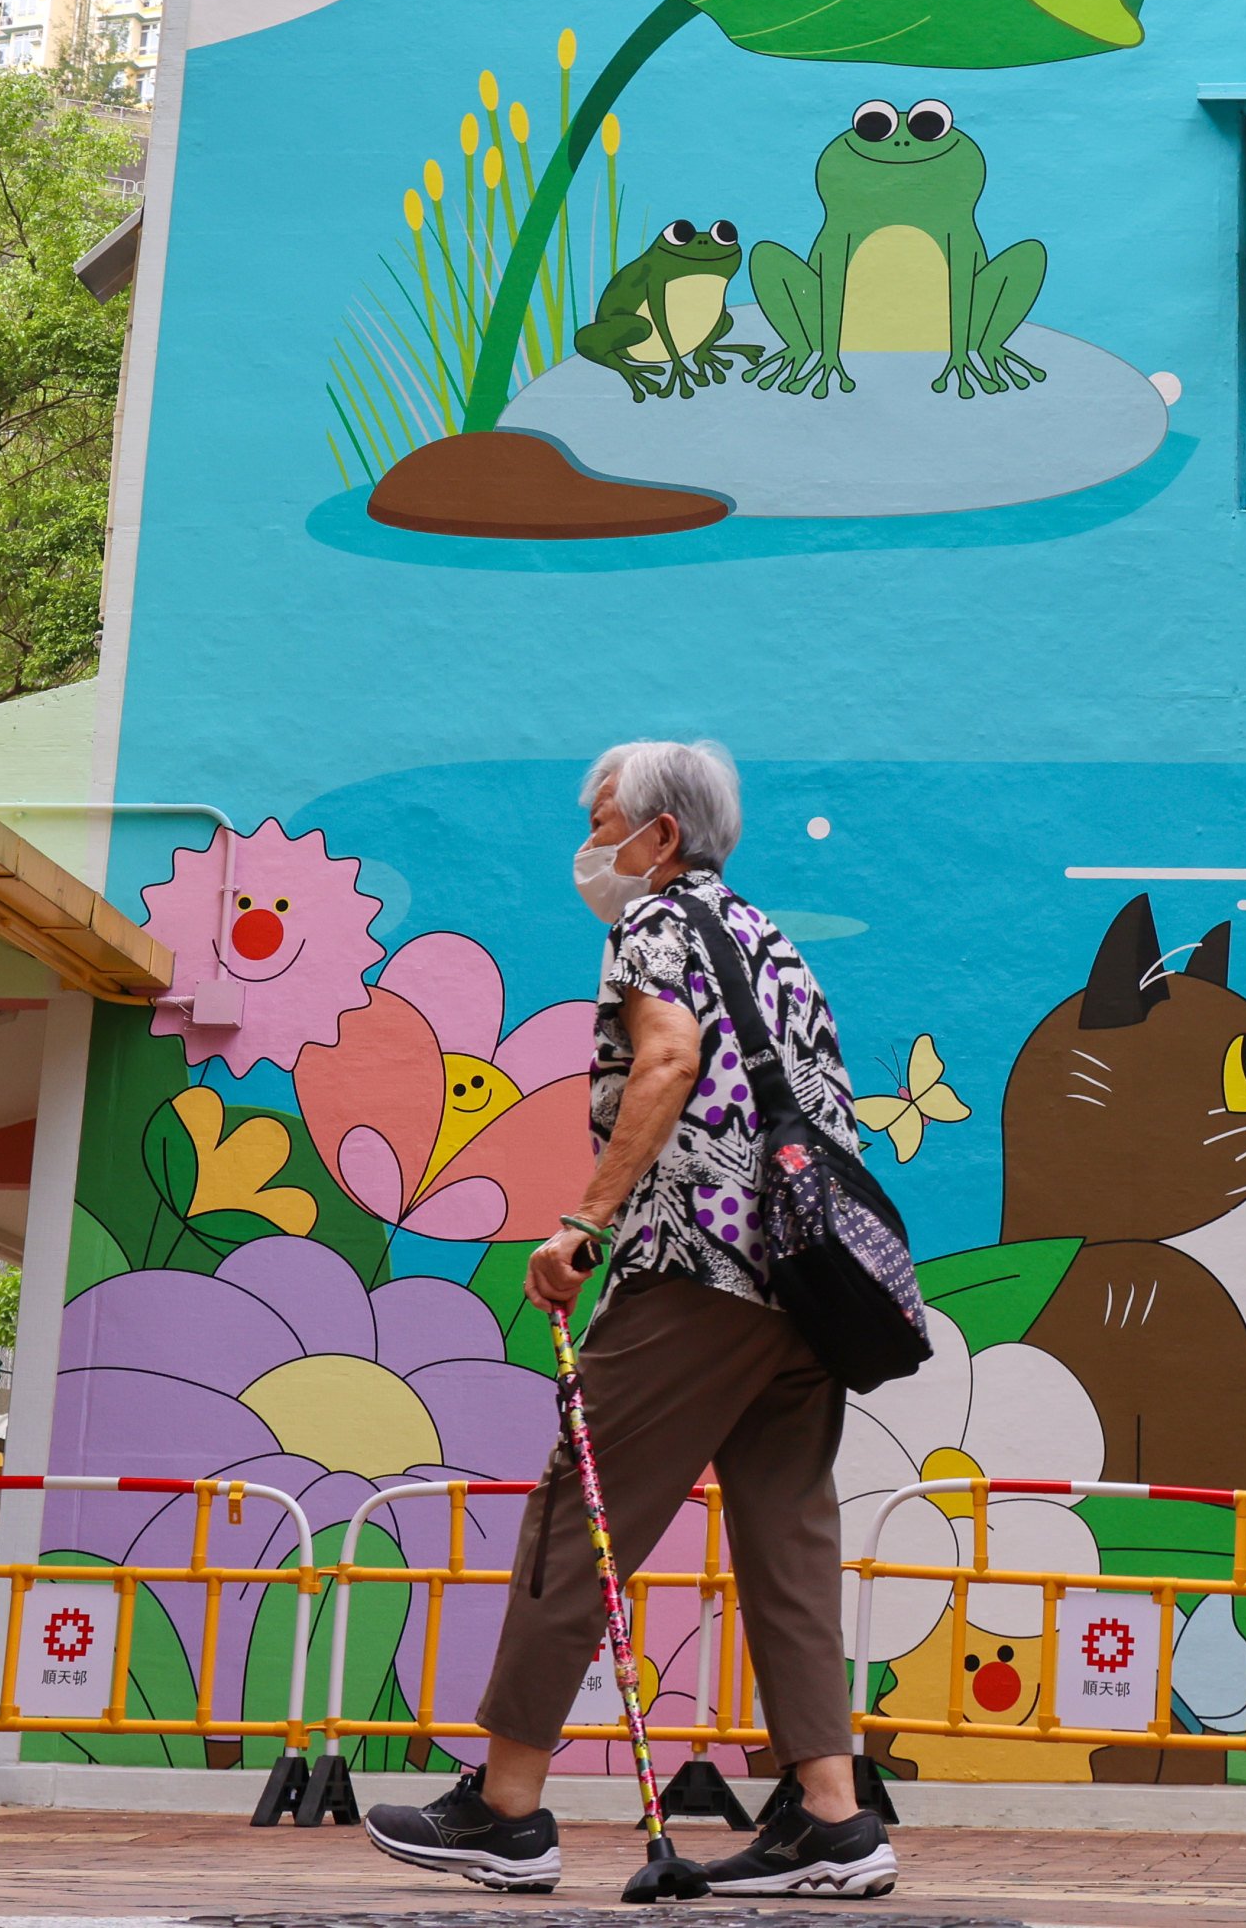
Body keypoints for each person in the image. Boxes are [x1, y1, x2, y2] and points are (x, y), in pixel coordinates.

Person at [365, 737, 895, 1900]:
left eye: (602, 820)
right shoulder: (771, 941)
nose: (588, 843)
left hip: (699, 1270)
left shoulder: (654, 925)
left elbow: (668, 1059)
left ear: (659, 836)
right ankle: (832, 1820)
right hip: (808, 1291)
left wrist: (584, 1225)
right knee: (787, 1543)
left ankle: (506, 1810)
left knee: (574, 1514)